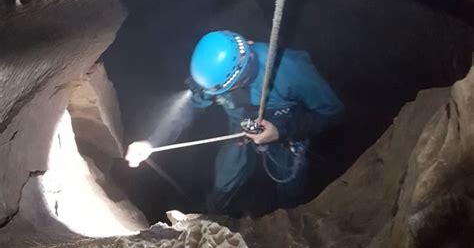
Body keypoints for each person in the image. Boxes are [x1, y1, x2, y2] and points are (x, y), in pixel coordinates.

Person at [126, 30, 344, 214]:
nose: (210, 94)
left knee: (289, 182)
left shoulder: (292, 70)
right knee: (226, 176)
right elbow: (187, 110)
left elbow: (333, 113)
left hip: (286, 132)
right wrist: (152, 142)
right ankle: (213, 217)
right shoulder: (213, 77)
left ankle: (292, 216)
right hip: (239, 131)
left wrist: (281, 131)